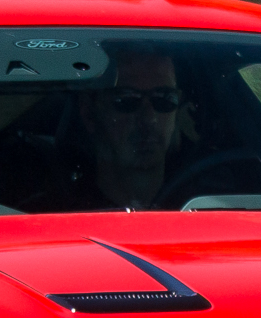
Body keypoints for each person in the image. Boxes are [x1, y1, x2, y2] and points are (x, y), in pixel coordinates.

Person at [69, 53, 181, 208]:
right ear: (89, 113)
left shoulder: (213, 204)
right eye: (127, 99)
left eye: (164, 99)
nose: (149, 118)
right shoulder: (54, 215)